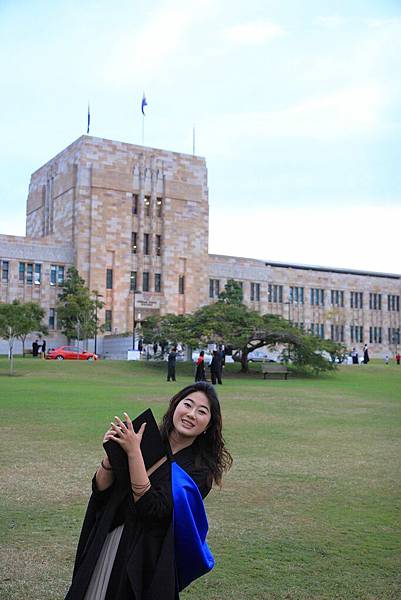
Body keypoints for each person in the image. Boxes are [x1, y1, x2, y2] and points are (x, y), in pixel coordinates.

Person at [64, 382, 232, 600]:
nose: (191, 414)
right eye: (187, 404)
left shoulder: (199, 472)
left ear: (209, 424)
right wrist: (110, 457)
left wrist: (134, 453)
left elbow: (152, 509)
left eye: (202, 411)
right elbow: (101, 492)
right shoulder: (147, 438)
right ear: (175, 407)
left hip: (145, 557)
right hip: (112, 536)